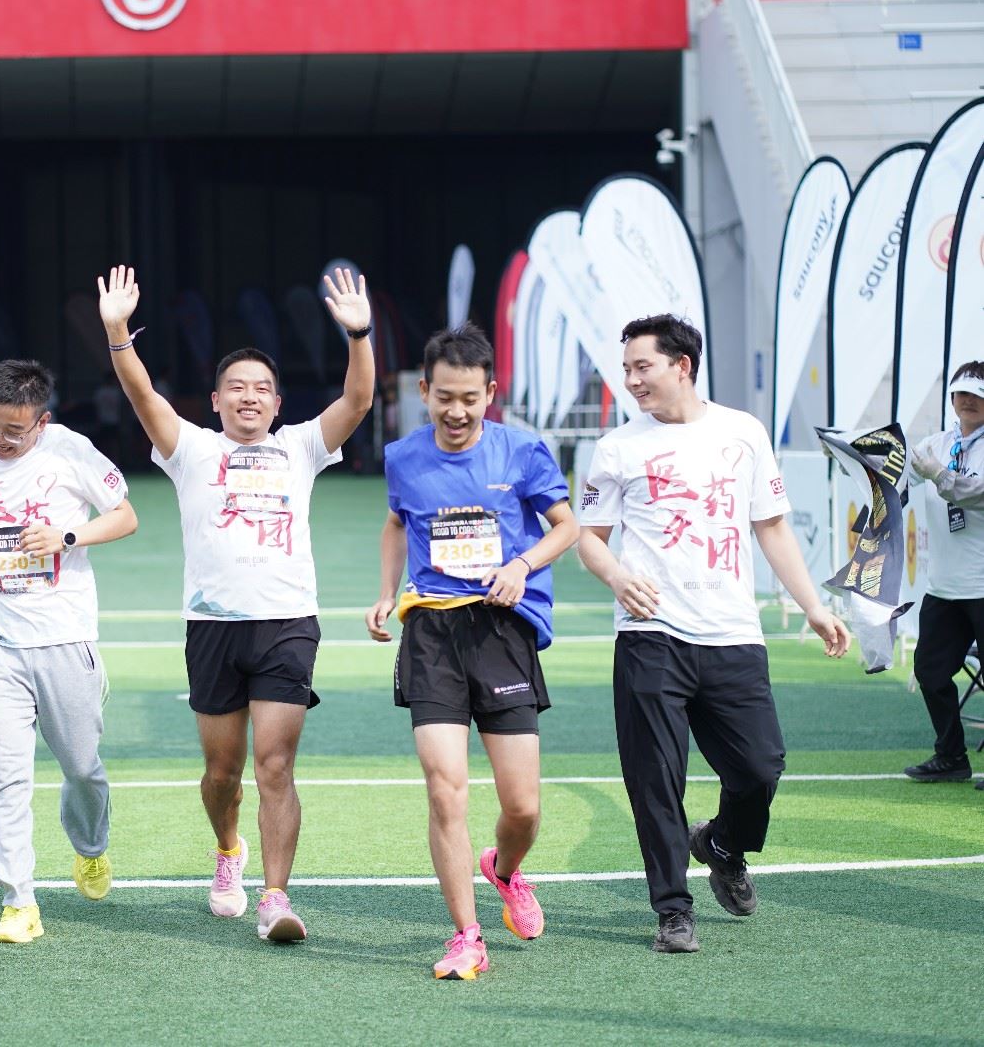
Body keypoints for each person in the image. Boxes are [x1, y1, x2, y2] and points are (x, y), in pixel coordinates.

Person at [97, 263, 374, 942]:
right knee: (222, 773)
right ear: (216, 400)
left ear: (278, 404)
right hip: (213, 627)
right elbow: (142, 396)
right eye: (237, 388)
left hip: (287, 625)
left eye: (262, 389)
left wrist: (359, 335)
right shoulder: (190, 448)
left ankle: (276, 898)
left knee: (275, 765)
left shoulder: (301, 446)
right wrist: (117, 334)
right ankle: (228, 851)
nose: (250, 397)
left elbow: (359, 400)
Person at [575, 314, 850, 954]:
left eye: (643, 367)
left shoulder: (743, 432)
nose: (631, 380)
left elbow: (771, 526)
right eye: (627, 369)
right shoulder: (618, 447)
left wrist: (812, 606)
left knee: (760, 766)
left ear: (683, 366)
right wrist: (617, 576)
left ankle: (723, 843)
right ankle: (673, 910)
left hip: (732, 633)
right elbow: (590, 538)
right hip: (650, 635)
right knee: (656, 780)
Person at [365, 324, 577, 980]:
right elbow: (396, 521)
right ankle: (466, 935)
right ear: (424, 392)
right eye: (444, 397)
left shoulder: (522, 452)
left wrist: (521, 565)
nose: (456, 411)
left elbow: (566, 526)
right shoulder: (403, 457)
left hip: (502, 631)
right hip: (431, 632)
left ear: (490, 393)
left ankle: (505, 870)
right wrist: (386, 592)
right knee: (445, 791)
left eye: (469, 398)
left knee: (523, 807)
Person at [0, 359, 137, 943]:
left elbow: (125, 516)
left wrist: (67, 536)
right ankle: (18, 901)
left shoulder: (71, 450)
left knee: (82, 767)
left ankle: (90, 845)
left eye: (14, 431)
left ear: (41, 422)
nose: (0, 439)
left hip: (65, 638)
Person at [903, 361, 984, 787]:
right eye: (961, 393)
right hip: (945, 586)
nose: (968, 400)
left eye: (977, 394)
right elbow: (898, 479)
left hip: (983, 584)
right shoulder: (936, 443)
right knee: (930, 671)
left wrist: (939, 474)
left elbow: (972, 493)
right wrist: (856, 461)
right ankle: (951, 756)